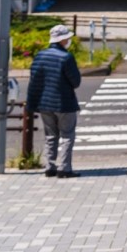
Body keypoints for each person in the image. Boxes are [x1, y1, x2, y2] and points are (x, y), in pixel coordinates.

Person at [27, 24, 82, 178]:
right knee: (67, 135)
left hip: (45, 104)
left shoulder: (40, 55)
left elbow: (34, 81)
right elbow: (75, 81)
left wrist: (32, 103)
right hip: (64, 103)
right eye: (68, 38)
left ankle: (50, 166)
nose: (69, 40)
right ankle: (64, 168)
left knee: (50, 136)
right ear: (63, 40)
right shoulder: (66, 57)